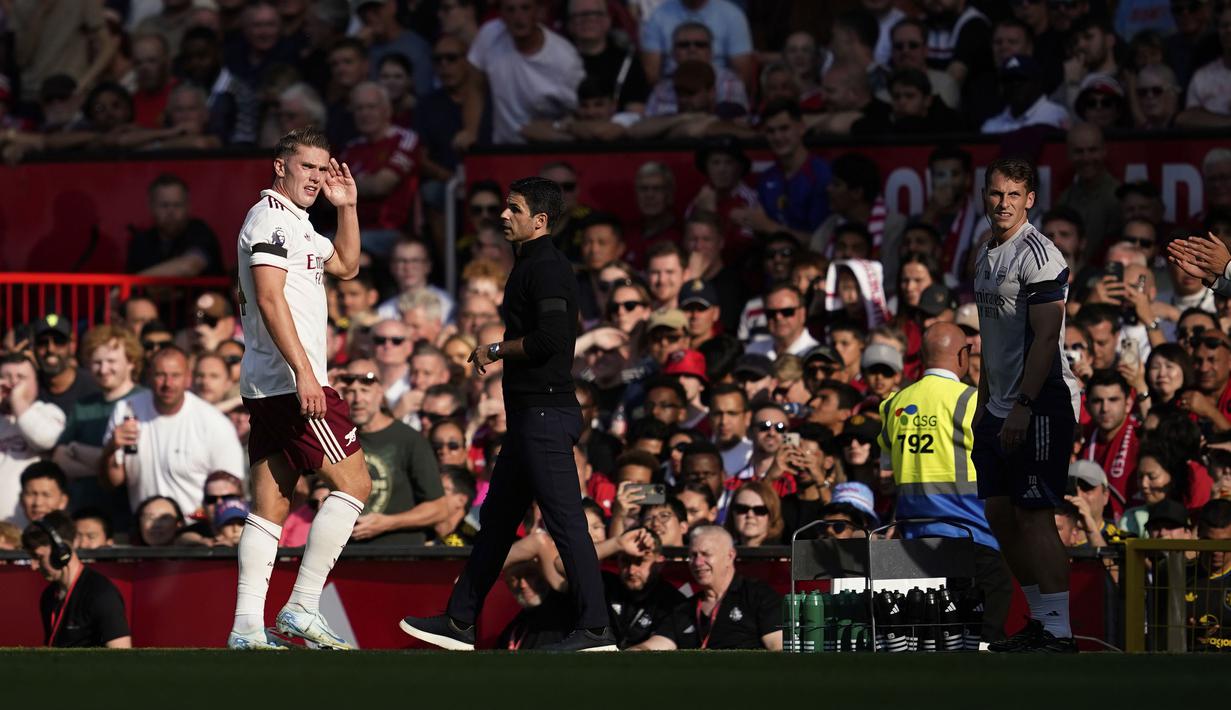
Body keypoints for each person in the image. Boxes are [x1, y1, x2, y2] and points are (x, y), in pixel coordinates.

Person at [400, 177, 616, 652]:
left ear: (539, 220)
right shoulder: (531, 265)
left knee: (565, 522)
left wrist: (494, 348)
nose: (503, 216)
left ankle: (597, 628)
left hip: (544, 415)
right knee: (496, 521)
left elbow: (553, 340)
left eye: (513, 209)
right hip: (528, 419)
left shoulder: (549, 268)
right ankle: (460, 621)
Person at [226, 127, 369, 651]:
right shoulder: (269, 218)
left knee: (271, 506)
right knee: (355, 485)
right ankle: (304, 604)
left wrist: (347, 206)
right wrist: (307, 373)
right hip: (292, 382)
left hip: (267, 384)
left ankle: (245, 626)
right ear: (280, 166)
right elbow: (268, 298)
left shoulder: (298, 224)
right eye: (307, 166)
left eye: (323, 167)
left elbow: (348, 267)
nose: (316, 177)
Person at [972, 158, 1081, 653]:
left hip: (1041, 401)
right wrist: (983, 400)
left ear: (1030, 200)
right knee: (999, 513)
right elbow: (990, 340)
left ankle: (1059, 631)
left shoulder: (1040, 256)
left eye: (1014, 195)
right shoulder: (986, 252)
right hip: (995, 402)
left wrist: (1023, 405)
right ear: (984, 196)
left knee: (1034, 513)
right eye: (996, 194)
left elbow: (1045, 339)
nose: (1003, 204)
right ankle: (1039, 620)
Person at [878, 322, 1012, 643]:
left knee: (929, 638)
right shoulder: (973, 402)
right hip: (971, 535)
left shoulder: (892, 405)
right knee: (983, 633)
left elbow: (884, 477)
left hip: (912, 539)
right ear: (963, 356)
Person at [101, 346, 244, 517]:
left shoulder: (214, 423)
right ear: (148, 377)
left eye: (175, 376)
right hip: (144, 530)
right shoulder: (127, 409)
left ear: (188, 379)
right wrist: (111, 447)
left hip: (196, 531)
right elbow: (113, 482)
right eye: (160, 375)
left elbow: (232, 491)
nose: (168, 384)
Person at [341, 358, 448, 545]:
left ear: (380, 392)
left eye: (365, 391)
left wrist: (387, 523)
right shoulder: (338, 438)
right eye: (350, 392)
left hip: (397, 558)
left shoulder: (409, 440)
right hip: (346, 557)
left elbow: (439, 508)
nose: (357, 400)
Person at [632, 525, 782, 650]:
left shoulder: (759, 596)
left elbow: (778, 647)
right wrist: (625, 655)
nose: (698, 562)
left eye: (706, 554)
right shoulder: (684, 609)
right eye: (693, 555)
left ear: (730, 556)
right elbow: (654, 646)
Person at [466, 0, 585, 144]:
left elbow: (584, 112)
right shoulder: (489, 35)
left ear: (538, 12)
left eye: (525, 8)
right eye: (510, 10)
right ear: (501, 15)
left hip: (551, 149)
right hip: (503, 150)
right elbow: (474, 86)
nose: (518, 17)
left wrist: (554, 129)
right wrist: (470, 132)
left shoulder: (565, 59)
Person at [23, 511, 130, 648]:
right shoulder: (49, 596)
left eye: (39, 557)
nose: (33, 566)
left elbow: (121, 659)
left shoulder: (101, 594)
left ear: (61, 552)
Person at [1, 354, 66, 526]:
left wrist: (17, 401)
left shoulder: (48, 412)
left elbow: (45, 440)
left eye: (21, 377)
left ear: (36, 383)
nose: (13, 383)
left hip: (28, 529)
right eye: (5, 377)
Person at [601, 528, 687, 648]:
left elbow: (655, 646)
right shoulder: (604, 585)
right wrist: (616, 544)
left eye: (640, 561)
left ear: (659, 563)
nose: (631, 570)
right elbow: (568, 566)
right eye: (625, 561)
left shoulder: (673, 602)